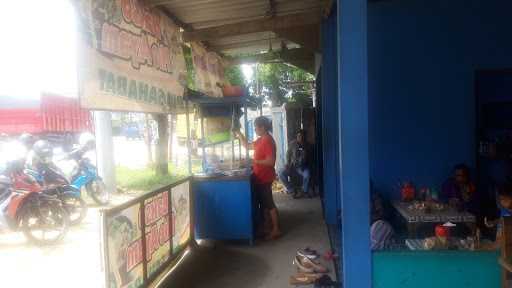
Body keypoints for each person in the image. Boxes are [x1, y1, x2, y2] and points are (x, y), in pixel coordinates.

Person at [234, 116, 282, 240]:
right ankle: (267, 227)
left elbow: (271, 161)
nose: (255, 129)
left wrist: (253, 161)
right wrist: (239, 133)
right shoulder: (261, 139)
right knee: (264, 204)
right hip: (260, 176)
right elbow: (247, 146)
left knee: (269, 203)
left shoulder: (267, 141)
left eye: (256, 127)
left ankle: (276, 229)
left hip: (265, 177)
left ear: (263, 127)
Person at [279, 129, 312, 198]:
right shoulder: (292, 144)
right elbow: (288, 154)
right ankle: (291, 190)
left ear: (305, 137)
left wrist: (304, 151)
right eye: (299, 136)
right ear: (297, 137)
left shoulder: (308, 145)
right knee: (281, 173)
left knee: (307, 175)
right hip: (292, 165)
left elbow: (310, 159)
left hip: (302, 167)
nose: (301, 138)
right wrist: (288, 163)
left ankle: (303, 191)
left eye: (302, 136)